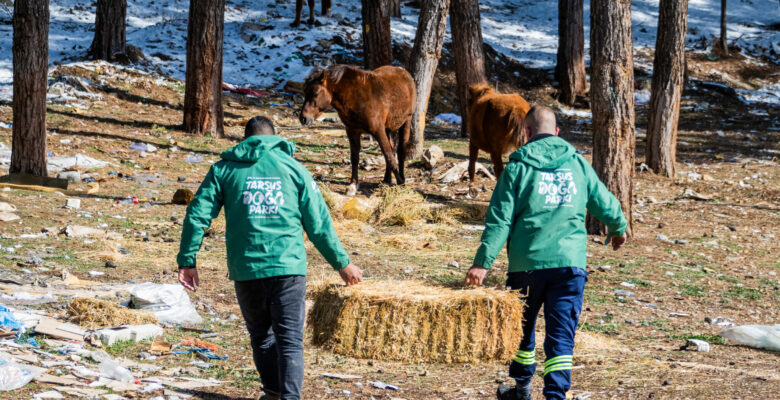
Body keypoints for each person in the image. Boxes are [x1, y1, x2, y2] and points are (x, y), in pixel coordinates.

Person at [176, 116, 363, 400]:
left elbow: (197, 214)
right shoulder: (295, 170)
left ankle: (274, 394)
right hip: (288, 269)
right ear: (275, 138)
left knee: (262, 337)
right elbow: (319, 225)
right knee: (289, 341)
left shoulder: (223, 170)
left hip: (246, 268)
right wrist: (343, 264)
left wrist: (188, 261)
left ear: (245, 140)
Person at [464, 106, 627, 400]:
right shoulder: (577, 165)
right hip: (570, 266)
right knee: (561, 335)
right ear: (556, 133)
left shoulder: (516, 168)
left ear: (526, 133)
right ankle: (555, 396)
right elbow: (604, 201)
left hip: (527, 266)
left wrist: (482, 264)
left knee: (521, 331)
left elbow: (499, 220)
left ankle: (522, 388)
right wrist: (618, 227)